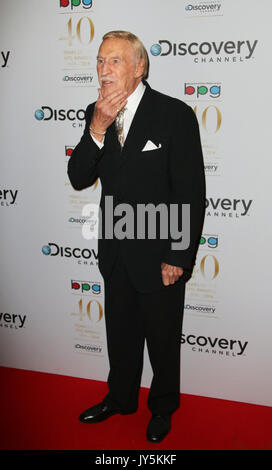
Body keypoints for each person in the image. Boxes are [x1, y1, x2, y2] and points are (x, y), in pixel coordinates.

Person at [68, 30, 205, 443]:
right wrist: (96, 128)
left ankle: (162, 407)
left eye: (114, 61)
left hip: (160, 256)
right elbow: (78, 178)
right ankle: (120, 398)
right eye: (100, 61)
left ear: (139, 67)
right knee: (121, 337)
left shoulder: (174, 114)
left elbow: (190, 192)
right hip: (115, 254)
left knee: (163, 341)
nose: (104, 70)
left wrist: (178, 256)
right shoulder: (96, 112)